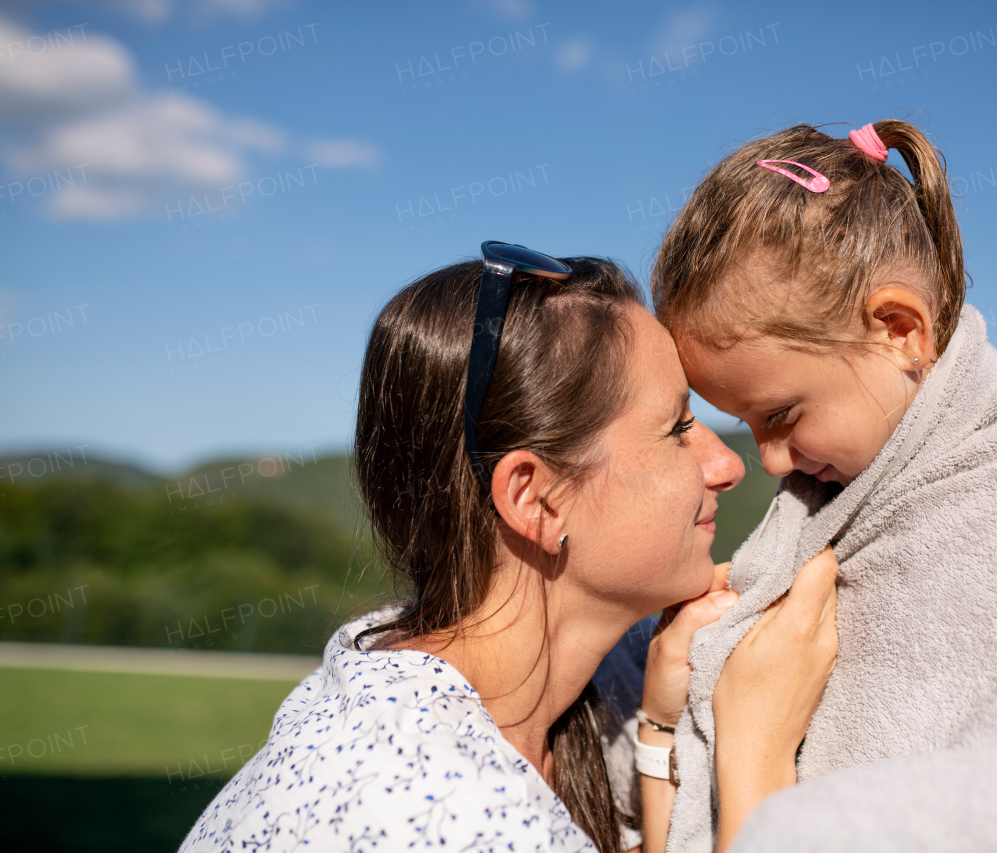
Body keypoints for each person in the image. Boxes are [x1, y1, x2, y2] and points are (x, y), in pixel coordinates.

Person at [649, 121, 997, 852]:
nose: (772, 462)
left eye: (780, 414)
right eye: (748, 424)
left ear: (900, 329)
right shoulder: (823, 504)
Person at [178, 251, 841, 853]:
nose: (727, 465)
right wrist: (756, 748)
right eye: (676, 428)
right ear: (536, 498)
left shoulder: (455, 684)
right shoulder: (438, 805)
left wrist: (660, 723)